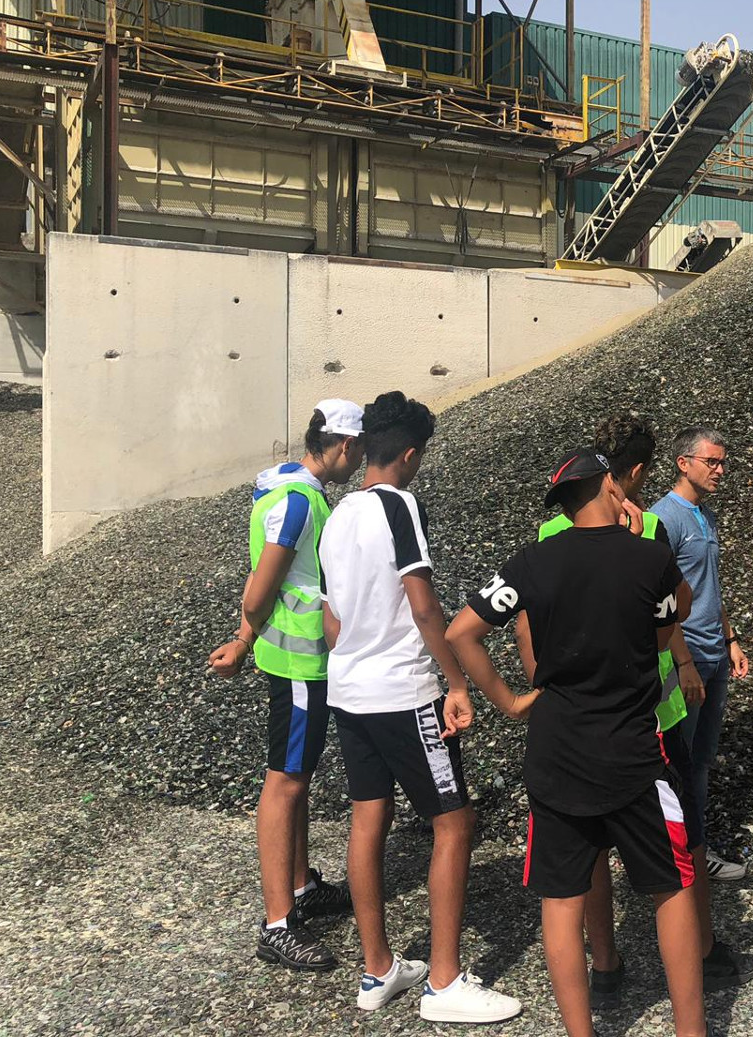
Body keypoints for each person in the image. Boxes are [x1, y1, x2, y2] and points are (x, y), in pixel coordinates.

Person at [446, 448, 706, 1037]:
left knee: (561, 898)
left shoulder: (533, 561)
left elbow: (462, 631)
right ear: (611, 486)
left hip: (557, 750)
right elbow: (673, 620)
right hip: (635, 752)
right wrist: (643, 542)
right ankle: (693, 1030)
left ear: (561, 505)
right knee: (672, 885)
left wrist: (511, 701)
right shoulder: (648, 558)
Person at [520, 414, 753, 997]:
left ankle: (605, 961)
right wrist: (680, 663)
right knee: (679, 840)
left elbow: (527, 625)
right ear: (631, 474)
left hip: (570, 714)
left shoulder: (550, 535)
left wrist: (529, 689)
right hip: (645, 711)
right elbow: (666, 607)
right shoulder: (649, 526)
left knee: (588, 844)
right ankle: (700, 951)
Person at [318, 391, 522, 1023]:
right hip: (401, 691)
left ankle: (377, 969)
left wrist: (356, 654)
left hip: (347, 689)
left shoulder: (337, 513)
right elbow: (424, 603)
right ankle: (443, 981)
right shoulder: (400, 505)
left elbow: (330, 618)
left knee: (366, 820)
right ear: (408, 455)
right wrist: (456, 681)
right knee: (453, 822)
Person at [208, 399, 365, 971]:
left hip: (288, 654)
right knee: (286, 783)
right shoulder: (300, 502)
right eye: (360, 450)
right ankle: (277, 925)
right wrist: (246, 632)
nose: (361, 460)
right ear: (344, 447)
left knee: (296, 777)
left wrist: (244, 641)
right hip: (300, 663)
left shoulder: (283, 490)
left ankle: (300, 887)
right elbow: (260, 585)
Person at [651, 427, 752, 883]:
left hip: (714, 654)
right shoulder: (662, 519)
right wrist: (683, 660)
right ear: (683, 462)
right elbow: (657, 599)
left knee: (702, 759)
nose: (719, 470)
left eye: (722, 462)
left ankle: (696, 848)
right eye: (711, 461)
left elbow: (710, 586)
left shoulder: (706, 517)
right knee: (680, 760)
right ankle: (680, 853)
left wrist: (731, 639)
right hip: (683, 660)